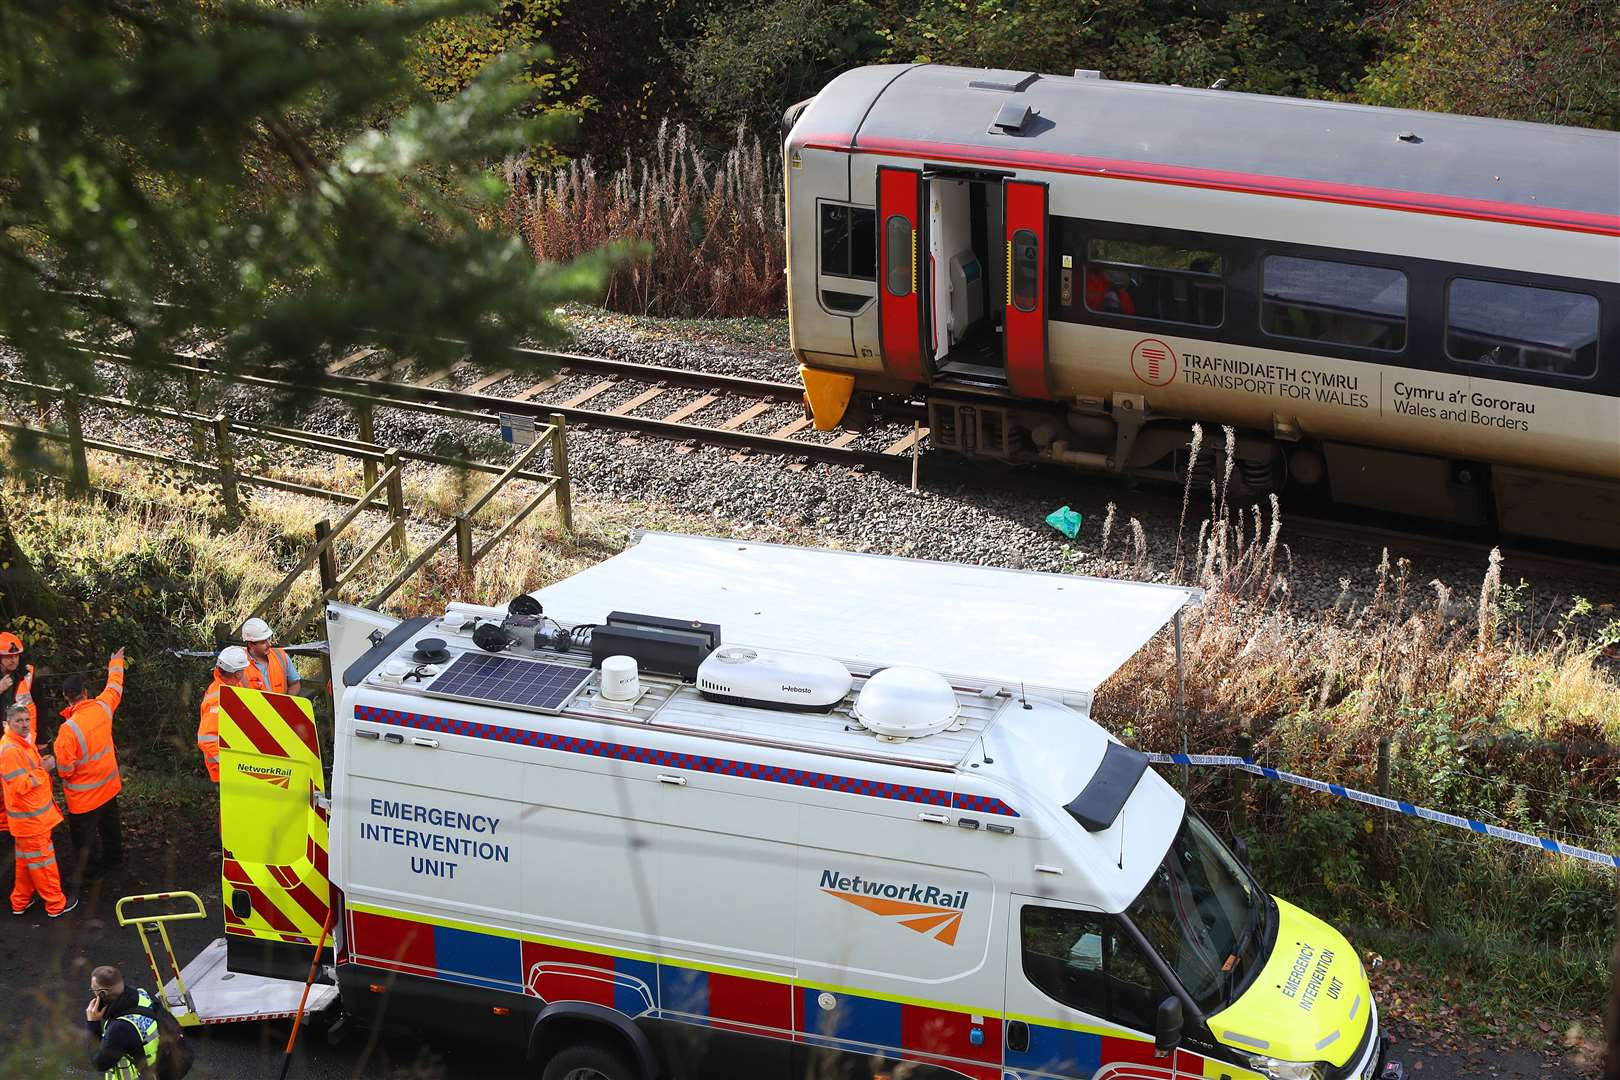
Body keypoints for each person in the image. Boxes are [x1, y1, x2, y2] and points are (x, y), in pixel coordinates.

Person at [55, 648, 126, 885]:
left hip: (83, 798)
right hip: (108, 786)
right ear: (85, 692)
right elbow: (114, 686)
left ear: (66, 697)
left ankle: (91, 873)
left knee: (84, 839)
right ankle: (115, 861)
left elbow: (65, 770)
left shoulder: (67, 731)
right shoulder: (103, 708)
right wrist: (116, 662)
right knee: (110, 827)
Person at [2, 702, 76, 917]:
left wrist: (39, 765)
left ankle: (20, 902)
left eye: (27, 720)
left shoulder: (20, 743)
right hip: (30, 821)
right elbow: (20, 785)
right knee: (44, 864)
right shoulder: (10, 750)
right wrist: (44, 770)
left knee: (26, 864)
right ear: (8, 723)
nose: (25, 724)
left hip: (28, 820)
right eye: (19, 721)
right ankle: (55, 905)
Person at [85, 964, 163, 1079]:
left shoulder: (119, 1028)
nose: (92, 992)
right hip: (159, 1068)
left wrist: (93, 1023)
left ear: (102, 993)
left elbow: (99, 1063)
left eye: (93, 989)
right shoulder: (143, 995)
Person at [0, 631, 38, 848]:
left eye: (15, 656)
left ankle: (24, 823)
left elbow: (38, 703)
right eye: (7, 656)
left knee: (23, 782)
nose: (13, 659)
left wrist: (42, 738)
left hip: (24, 740)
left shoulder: (27, 674)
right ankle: (5, 828)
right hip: (4, 742)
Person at [197, 646, 249, 783]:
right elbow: (205, 738)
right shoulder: (218, 699)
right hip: (223, 772)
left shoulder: (231, 687)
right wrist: (231, 764)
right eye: (243, 669)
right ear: (237, 674)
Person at [240, 617, 300, 697]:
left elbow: (295, 684)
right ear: (251, 645)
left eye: (268, 639)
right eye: (263, 642)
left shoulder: (281, 656)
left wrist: (286, 702)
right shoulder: (239, 664)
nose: (269, 644)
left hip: (281, 708)